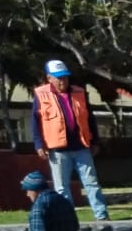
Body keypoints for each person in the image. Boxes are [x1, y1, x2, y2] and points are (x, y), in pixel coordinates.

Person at [30, 59, 110, 220]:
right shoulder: (41, 94)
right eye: (58, 77)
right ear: (49, 78)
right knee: (61, 187)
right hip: (57, 149)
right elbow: (35, 121)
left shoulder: (79, 92)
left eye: (65, 77)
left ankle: (101, 215)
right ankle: (66, 218)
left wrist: (95, 141)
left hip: (81, 146)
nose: (62, 81)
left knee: (91, 183)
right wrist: (39, 144)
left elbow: (90, 118)